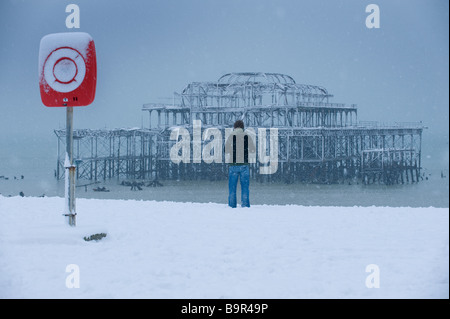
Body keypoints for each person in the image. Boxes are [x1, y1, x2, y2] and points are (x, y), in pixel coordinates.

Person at [225, 120, 256, 208]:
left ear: (234, 127)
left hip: (233, 165)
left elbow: (226, 150)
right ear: (243, 127)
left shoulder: (231, 136)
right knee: (245, 188)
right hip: (244, 165)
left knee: (232, 188)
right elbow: (253, 149)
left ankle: (232, 206)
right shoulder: (247, 136)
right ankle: (245, 206)